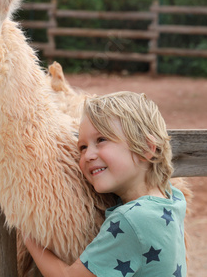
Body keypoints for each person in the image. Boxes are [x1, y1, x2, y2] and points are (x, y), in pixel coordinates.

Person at [25, 91, 187, 277]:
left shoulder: (132, 220)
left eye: (101, 140)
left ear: (145, 149)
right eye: (82, 147)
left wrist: (29, 235)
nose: (88, 155)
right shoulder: (172, 198)